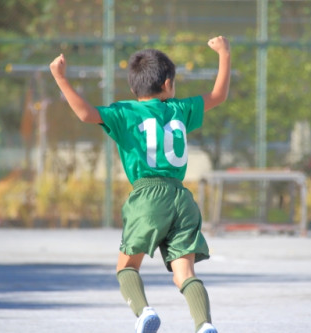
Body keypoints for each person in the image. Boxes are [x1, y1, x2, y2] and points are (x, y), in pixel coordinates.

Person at [49, 36, 231, 333]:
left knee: (127, 266)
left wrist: (60, 78)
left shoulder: (125, 112)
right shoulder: (180, 109)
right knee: (184, 272)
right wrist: (224, 54)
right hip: (181, 197)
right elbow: (219, 94)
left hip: (147, 196)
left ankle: (144, 311)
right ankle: (204, 325)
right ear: (168, 83)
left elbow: (84, 113)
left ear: (134, 88)